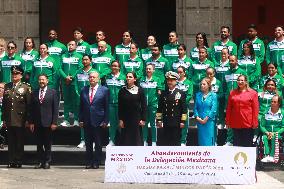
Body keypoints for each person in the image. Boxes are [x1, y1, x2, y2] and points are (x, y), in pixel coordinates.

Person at [2, 65, 31, 168]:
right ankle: (11, 160)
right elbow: (5, 104)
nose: (14, 75)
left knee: (19, 141)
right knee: (11, 141)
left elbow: (29, 104)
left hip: (20, 118)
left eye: (16, 73)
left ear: (21, 75)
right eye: (13, 73)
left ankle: (18, 161)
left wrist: (28, 119)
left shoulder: (25, 87)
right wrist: (4, 119)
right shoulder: (7, 86)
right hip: (9, 118)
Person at [79, 71, 109, 169]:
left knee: (98, 143)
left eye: (93, 77)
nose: (91, 79)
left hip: (99, 121)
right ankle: (89, 161)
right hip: (87, 120)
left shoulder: (104, 90)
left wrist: (106, 120)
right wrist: (81, 119)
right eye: (90, 77)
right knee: (88, 143)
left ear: (98, 79)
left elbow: (107, 107)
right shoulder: (84, 89)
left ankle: (96, 162)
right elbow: (81, 106)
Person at [29, 74, 58, 169]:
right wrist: (31, 122)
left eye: (43, 80)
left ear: (47, 81)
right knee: (39, 144)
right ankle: (40, 162)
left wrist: (54, 122)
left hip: (48, 123)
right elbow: (32, 109)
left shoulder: (52, 92)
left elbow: (55, 109)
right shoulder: (34, 92)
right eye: (40, 79)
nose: (41, 81)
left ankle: (47, 161)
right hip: (37, 122)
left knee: (48, 144)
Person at [226, 75, 259, 147]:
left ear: (246, 82)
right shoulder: (232, 93)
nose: (240, 82)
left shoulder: (253, 93)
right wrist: (228, 121)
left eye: (242, 80)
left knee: (247, 145)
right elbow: (229, 108)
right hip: (236, 122)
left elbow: (255, 109)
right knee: (237, 145)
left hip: (248, 123)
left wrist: (255, 122)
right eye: (238, 80)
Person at [156, 71, 187, 146]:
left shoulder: (180, 93)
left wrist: (183, 121)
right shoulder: (164, 93)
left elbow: (184, 109)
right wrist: (159, 120)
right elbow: (159, 108)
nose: (169, 82)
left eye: (172, 80)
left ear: (176, 81)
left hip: (176, 122)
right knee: (166, 141)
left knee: (176, 142)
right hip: (166, 121)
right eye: (168, 80)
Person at [223, 55, 247, 146]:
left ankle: (239, 140)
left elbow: (246, 85)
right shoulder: (226, 72)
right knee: (229, 120)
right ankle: (229, 140)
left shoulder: (242, 72)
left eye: (233, 61)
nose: (231, 62)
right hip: (229, 100)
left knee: (239, 120)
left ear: (237, 61)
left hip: (240, 100)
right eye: (230, 61)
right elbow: (224, 86)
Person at [75, 54, 97, 148]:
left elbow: (97, 86)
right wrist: (80, 96)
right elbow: (75, 86)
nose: (84, 61)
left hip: (92, 101)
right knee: (82, 121)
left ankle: (94, 141)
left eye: (86, 60)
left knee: (93, 122)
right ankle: (83, 140)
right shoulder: (78, 72)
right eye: (83, 60)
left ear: (90, 61)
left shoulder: (94, 72)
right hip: (82, 100)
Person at [118, 72, 146, 146]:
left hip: (136, 118)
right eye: (127, 76)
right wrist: (120, 119)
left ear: (135, 79)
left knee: (136, 139)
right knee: (125, 140)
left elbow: (144, 105)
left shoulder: (140, 90)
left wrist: (143, 119)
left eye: (130, 77)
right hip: (125, 119)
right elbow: (120, 106)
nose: (128, 78)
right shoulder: (122, 90)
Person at [59, 41, 83, 127]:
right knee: (66, 101)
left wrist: (72, 77)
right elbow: (59, 68)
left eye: (72, 45)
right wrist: (65, 77)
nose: (70, 46)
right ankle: (66, 120)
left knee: (76, 101)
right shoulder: (63, 56)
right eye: (69, 44)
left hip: (74, 82)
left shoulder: (79, 56)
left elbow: (80, 68)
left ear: (76, 46)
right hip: (65, 82)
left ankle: (76, 119)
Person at [140, 64, 163, 146]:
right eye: (147, 69)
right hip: (143, 106)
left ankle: (154, 141)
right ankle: (144, 141)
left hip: (153, 105)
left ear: (153, 70)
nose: (148, 70)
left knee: (153, 123)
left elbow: (160, 92)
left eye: (150, 69)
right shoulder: (142, 79)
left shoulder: (157, 79)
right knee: (144, 123)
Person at [104, 60, 126, 146]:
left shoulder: (124, 77)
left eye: (116, 66)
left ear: (119, 67)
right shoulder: (107, 77)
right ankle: (112, 140)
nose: (114, 67)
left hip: (121, 104)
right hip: (110, 104)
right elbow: (105, 91)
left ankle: (122, 141)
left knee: (121, 123)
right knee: (112, 124)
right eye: (112, 66)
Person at [194, 78, 218, 146]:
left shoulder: (213, 95)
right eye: (201, 84)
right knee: (201, 141)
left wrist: (206, 119)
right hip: (200, 121)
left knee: (209, 141)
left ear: (208, 85)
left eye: (204, 84)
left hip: (209, 122)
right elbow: (195, 108)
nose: (202, 85)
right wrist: (197, 117)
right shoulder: (197, 95)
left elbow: (213, 109)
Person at [260, 95, 284, 163]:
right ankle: (266, 155)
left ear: (279, 103)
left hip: (277, 134)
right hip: (267, 133)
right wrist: (267, 132)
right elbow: (262, 125)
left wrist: (276, 133)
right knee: (263, 137)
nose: (272, 103)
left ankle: (271, 156)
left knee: (274, 137)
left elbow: (283, 127)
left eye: (274, 102)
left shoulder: (282, 113)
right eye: (271, 101)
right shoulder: (266, 112)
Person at [176, 66, 193, 146]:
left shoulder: (189, 83)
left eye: (180, 72)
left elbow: (189, 95)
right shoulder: (174, 82)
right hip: (174, 107)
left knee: (184, 124)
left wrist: (182, 103)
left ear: (184, 72)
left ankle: (183, 141)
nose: (179, 74)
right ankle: (176, 140)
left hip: (184, 108)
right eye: (178, 72)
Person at [206, 67, 223, 144]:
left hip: (214, 108)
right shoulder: (204, 82)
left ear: (214, 74)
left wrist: (213, 96)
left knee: (213, 126)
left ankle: (214, 142)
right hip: (205, 108)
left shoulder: (218, 82)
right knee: (206, 126)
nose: (209, 75)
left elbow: (222, 94)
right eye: (207, 74)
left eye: (211, 74)